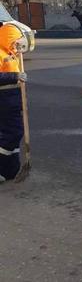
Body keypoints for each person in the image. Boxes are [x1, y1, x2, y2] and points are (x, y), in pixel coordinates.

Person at [0, 23, 27, 183]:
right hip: (3, 98)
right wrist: (15, 76)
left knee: (12, 134)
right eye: (14, 41)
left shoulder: (11, 53)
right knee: (13, 132)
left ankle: (11, 170)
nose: (17, 44)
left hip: (13, 98)